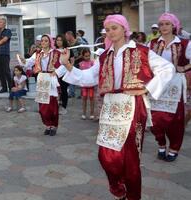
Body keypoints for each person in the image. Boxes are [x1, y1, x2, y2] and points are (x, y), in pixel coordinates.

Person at [59, 14, 175, 200]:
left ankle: (132, 196)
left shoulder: (141, 50)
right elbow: (89, 77)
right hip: (111, 106)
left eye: (115, 27)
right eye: (108, 29)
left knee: (130, 158)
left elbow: (168, 69)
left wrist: (146, 88)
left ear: (124, 29)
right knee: (105, 155)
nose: (111, 32)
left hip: (133, 105)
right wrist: (68, 66)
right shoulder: (105, 56)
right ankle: (119, 189)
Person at [148, 12, 191, 162]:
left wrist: (184, 67)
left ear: (174, 26)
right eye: (161, 24)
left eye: (167, 24)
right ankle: (161, 144)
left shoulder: (184, 43)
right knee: (154, 119)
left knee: (175, 119)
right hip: (157, 84)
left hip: (174, 85)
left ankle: (174, 148)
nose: (164, 27)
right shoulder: (152, 43)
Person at [21, 34, 62, 136]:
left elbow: (64, 65)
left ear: (50, 42)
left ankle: (53, 125)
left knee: (52, 104)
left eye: (46, 41)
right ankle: (47, 125)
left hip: (51, 78)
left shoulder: (56, 53)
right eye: (42, 41)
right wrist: (23, 61)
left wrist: (56, 72)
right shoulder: (38, 54)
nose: (43, 43)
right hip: (42, 78)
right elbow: (29, 63)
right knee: (43, 105)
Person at [0, 15, 12, 93]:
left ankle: (11, 87)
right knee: (0, 72)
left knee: (6, 71)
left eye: (0, 22)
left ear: (4, 23)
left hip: (4, 54)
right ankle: (4, 88)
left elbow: (4, 40)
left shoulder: (8, 31)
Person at [55, 34, 73, 115]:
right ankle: (56, 106)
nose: (59, 42)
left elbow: (72, 60)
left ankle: (64, 107)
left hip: (64, 73)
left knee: (63, 90)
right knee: (56, 89)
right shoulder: (54, 50)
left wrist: (70, 70)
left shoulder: (67, 50)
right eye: (57, 40)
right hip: (55, 72)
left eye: (60, 40)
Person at [78, 49, 96, 120]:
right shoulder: (81, 63)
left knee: (91, 98)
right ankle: (84, 113)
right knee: (84, 98)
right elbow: (80, 74)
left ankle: (92, 113)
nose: (87, 57)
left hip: (91, 84)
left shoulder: (92, 62)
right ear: (83, 56)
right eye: (86, 56)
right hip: (84, 84)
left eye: (88, 56)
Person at [66, 31, 83, 98]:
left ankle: (82, 94)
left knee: (80, 79)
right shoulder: (68, 44)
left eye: (67, 36)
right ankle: (71, 93)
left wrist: (75, 60)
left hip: (79, 63)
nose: (66, 37)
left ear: (70, 35)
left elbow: (82, 54)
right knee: (71, 77)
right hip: (72, 64)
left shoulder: (78, 43)